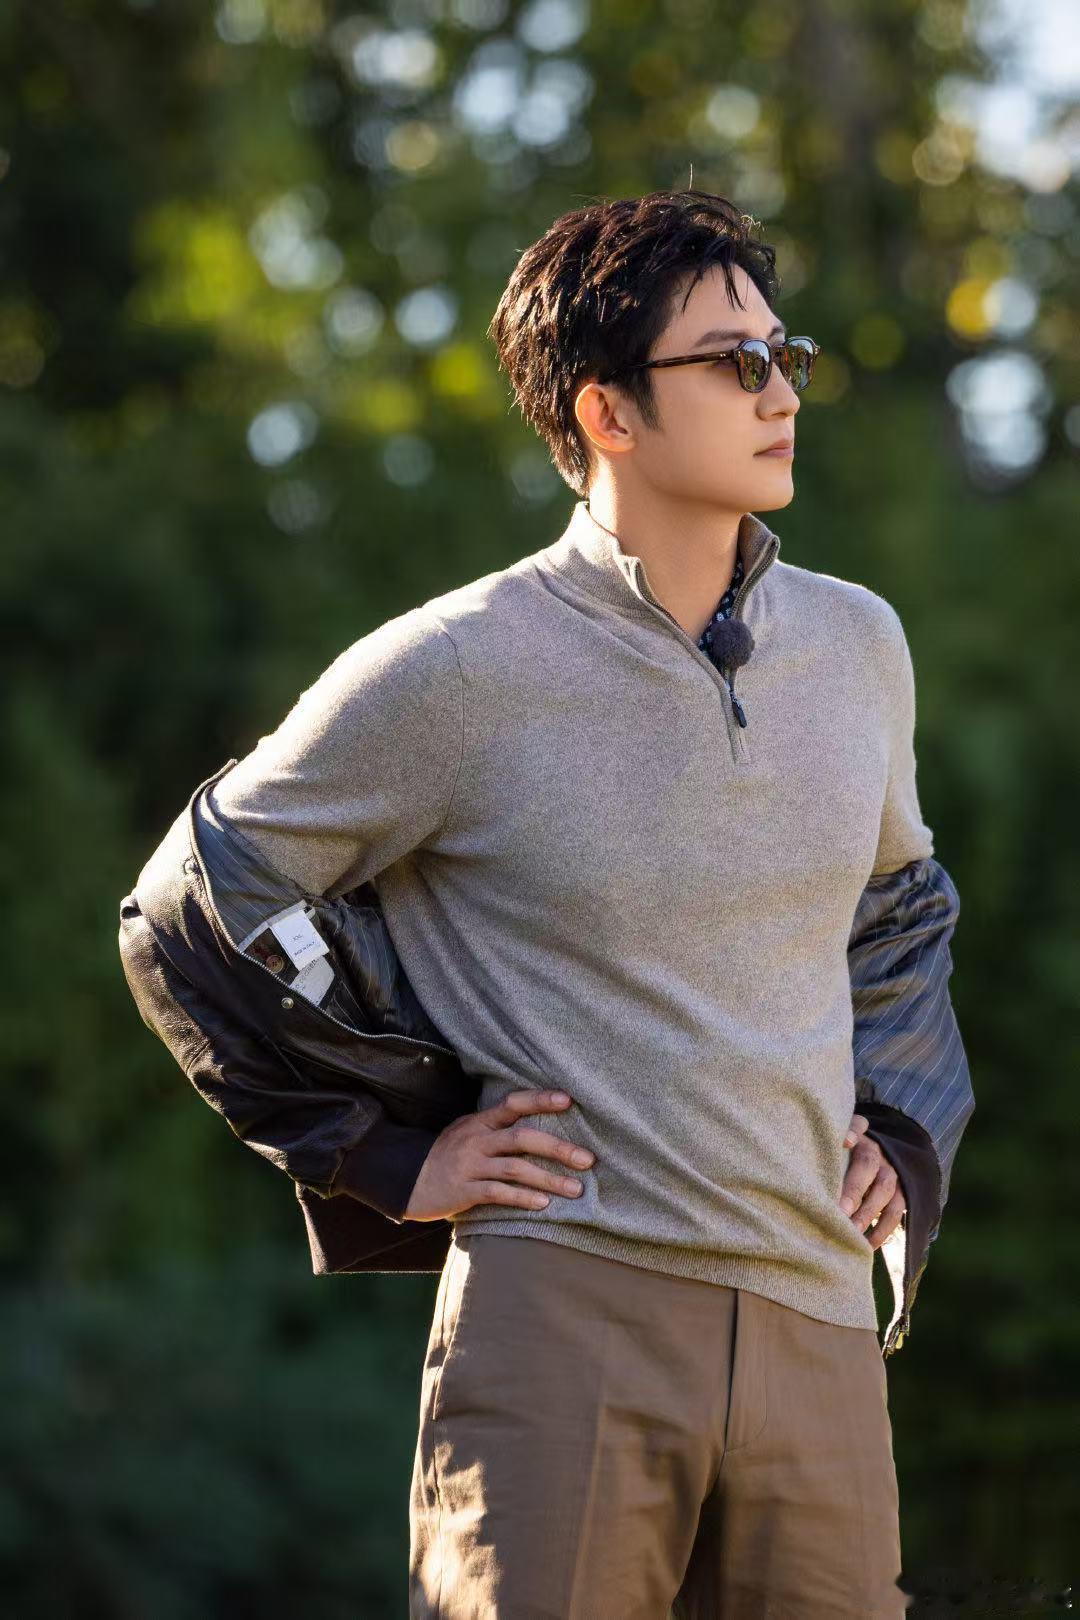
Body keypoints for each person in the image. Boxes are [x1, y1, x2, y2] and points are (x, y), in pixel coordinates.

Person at [197, 189, 973, 1617]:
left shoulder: (861, 645)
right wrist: (387, 1156)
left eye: (787, 355)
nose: (782, 393)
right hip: (566, 1315)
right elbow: (196, 906)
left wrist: (905, 1132)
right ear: (607, 412)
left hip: (817, 1325)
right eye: (736, 362)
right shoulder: (454, 668)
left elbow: (900, 918)